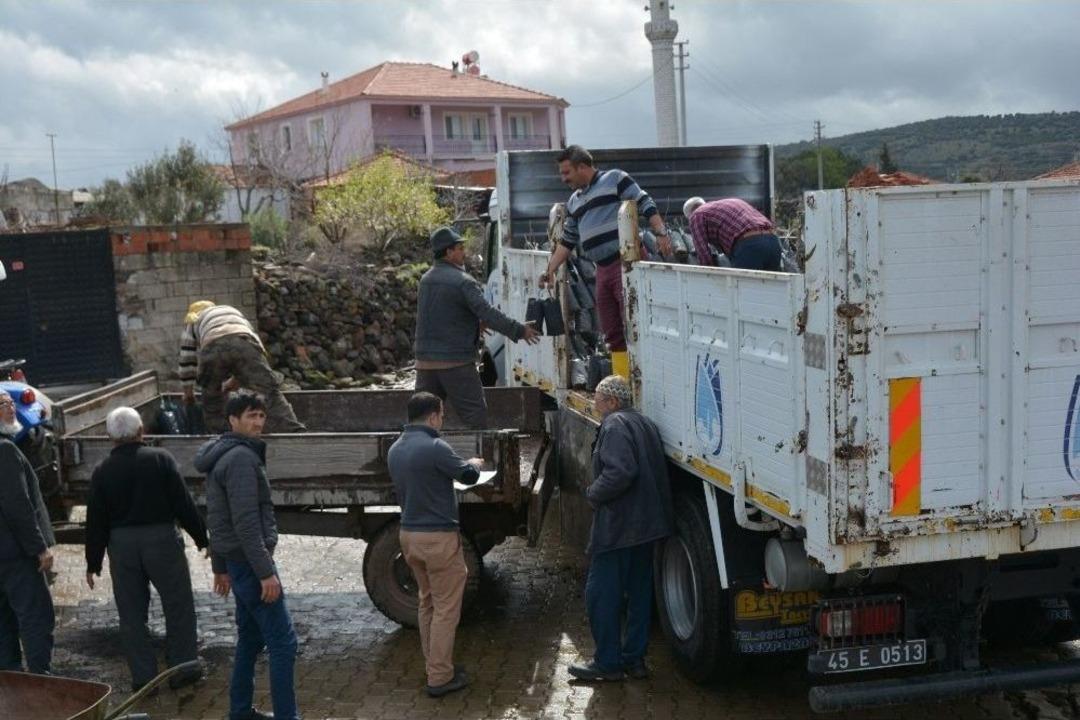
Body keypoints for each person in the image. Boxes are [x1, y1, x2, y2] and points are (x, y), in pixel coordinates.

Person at [85, 407, 208, 691]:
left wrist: (93, 563)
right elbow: (183, 504)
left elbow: (96, 521)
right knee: (177, 605)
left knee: (131, 614)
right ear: (142, 432)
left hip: (122, 545)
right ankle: (183, 668)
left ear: (110, 438)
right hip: (162, 540)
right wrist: (202, 538)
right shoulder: (161, 460)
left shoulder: (102, 471)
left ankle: (143, 678)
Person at [196, 391, 299, 720]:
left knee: (250, 640)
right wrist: (266, 572)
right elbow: (244, 522)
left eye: (261, 415)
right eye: (251, 416)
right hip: (252, 566)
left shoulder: (222, 454)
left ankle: (240, 712)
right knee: (284, 644)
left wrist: (220, 567)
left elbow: (217, 516)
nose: (258, 422)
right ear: (232, 420)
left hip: (239, 564)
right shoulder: (240, 458)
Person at [569, 375, 673, 682]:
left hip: (619, 527)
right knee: (640, 593)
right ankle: (634, 660)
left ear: (613, 402)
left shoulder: (614, 426)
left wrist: (593, 493)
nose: (595, 404)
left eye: (599, 399)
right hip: (647, 527)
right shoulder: (644, 423)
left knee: (600, 593)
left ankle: (608, 663)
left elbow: (620, 472)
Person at [539, 145, 671, 377]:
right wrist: (550, 269)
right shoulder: (574, 201)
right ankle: (623, 380)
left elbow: (643, 202)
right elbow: (567, 241)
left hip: (627, 263)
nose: (563, 178)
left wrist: (660, 232)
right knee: (611, 329)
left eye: (566, 172)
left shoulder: (615, 179)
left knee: (635, 323)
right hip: (602, 269)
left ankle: (649, 376)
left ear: (582, 167)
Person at [387, 392, 482, 698]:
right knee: (446, 609)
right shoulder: (435, 446)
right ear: (432, 417)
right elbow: (467, 476)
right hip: (438, 538)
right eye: (441, 415)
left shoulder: (395, 448)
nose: (442, 421)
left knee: (427, 602)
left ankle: (434, 665)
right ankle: (440, 677)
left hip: (409, 536)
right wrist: (474, 462)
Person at [415, 226, 540, 428]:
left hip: (425, 363)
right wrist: (519, 330)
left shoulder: (426, 280)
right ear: (448, 252)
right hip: (455, 362)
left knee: (423, 416)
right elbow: (488, 313)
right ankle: (480, 457)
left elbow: (440, 316)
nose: (464, 252)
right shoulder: (463, 281)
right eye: (460, 248)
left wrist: (473, 325)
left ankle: (419, 457)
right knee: (475, 415)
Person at [179, 301, 305, 434]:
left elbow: (187, 360)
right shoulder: (231, 311)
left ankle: (220, 436)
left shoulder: (193, 321)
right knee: (270, 392)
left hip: (212, 346)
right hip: (245, 342)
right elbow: (251, 347)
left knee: (212, 399)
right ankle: (296, 433)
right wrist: (236, 380)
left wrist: (188, 393)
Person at [0, 432, 55, 674]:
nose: (11, 406)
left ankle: (11, 688)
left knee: (2, 624)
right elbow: (17, 504)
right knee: (35, 618)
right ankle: (40, 683)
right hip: (14, 554)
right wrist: (39, 547)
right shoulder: (4, 450)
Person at [682, 196, 783, 271]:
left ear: (690, 215)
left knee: (744, 293)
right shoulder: (732, 201)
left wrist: (710, 274)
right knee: (769, 293)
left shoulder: (696, 215)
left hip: (750, 248)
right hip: (773, 242)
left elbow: (703, 252)